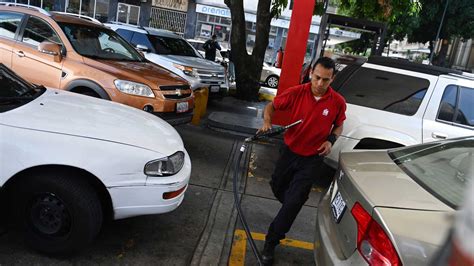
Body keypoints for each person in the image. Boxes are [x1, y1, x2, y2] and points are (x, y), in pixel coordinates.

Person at [257, 57, 346, 265]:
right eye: (317, 78)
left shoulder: (337, 102)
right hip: (289, 151)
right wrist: (267, 121)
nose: (320, 84)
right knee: (278, 186)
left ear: (332, 79)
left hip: (312, 158)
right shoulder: (297, 92)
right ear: (310, 73)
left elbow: (339, 125)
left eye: (325, 80)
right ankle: (292, 202)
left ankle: (271, 241)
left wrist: (330, 140)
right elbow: (271, 107)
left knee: (293, 202)